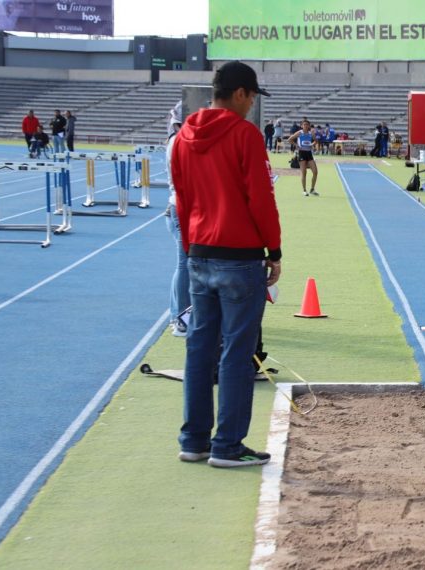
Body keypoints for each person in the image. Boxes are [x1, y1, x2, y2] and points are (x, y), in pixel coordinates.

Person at [170, 60, 282, 468]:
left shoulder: (183, 137)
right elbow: (260, 197)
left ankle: (194, 440)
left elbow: (182, 198)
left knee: (200, 348)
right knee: (236, 351)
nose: (252, 104)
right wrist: (274, 250)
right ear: (239, 93)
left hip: (200, 251)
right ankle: (228, 445)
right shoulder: (245, 135)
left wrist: (190, 248)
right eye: (251, 96)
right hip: (239, 255)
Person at [164, 101, 190, 338]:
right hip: (183, 207)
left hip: (179, 206)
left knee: (186, 264)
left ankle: (179, 313)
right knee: (185, 264)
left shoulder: (177, 140)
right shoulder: (178, 141)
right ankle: (180, 317)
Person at [286, 120, 319, 196]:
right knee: (304, 172)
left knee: (315, 172)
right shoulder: (299, 133)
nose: (306, 126)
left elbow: (316, 141)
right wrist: (296, 145)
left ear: (309, 126)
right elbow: (289, 139)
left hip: (309, 154)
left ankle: (312, 189)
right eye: (304, 124)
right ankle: (304, 190)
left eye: (307, 124)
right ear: (301, 126)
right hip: (301, 153)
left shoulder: (311, 133)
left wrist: (312, 144)